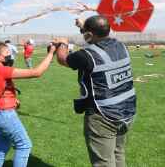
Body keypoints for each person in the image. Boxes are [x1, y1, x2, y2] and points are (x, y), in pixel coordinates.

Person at [54, 16, 136, 167]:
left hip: (103, 115)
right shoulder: (121, 46)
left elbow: (62, 58)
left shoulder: (86, 55)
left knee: (103, 162)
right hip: (127, 111)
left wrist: (63, 43)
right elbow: (98, 37)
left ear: (89, 35)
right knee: (118, 154)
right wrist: (83, 26)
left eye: (85, 32)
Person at [0, 41, 56, 167]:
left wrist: (12, 99)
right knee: (24, 145)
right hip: (4, 114)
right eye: (6, 51)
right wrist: (51, 53)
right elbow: (36, 72)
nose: (9, 53)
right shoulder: (2, 70)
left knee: (2, 146)